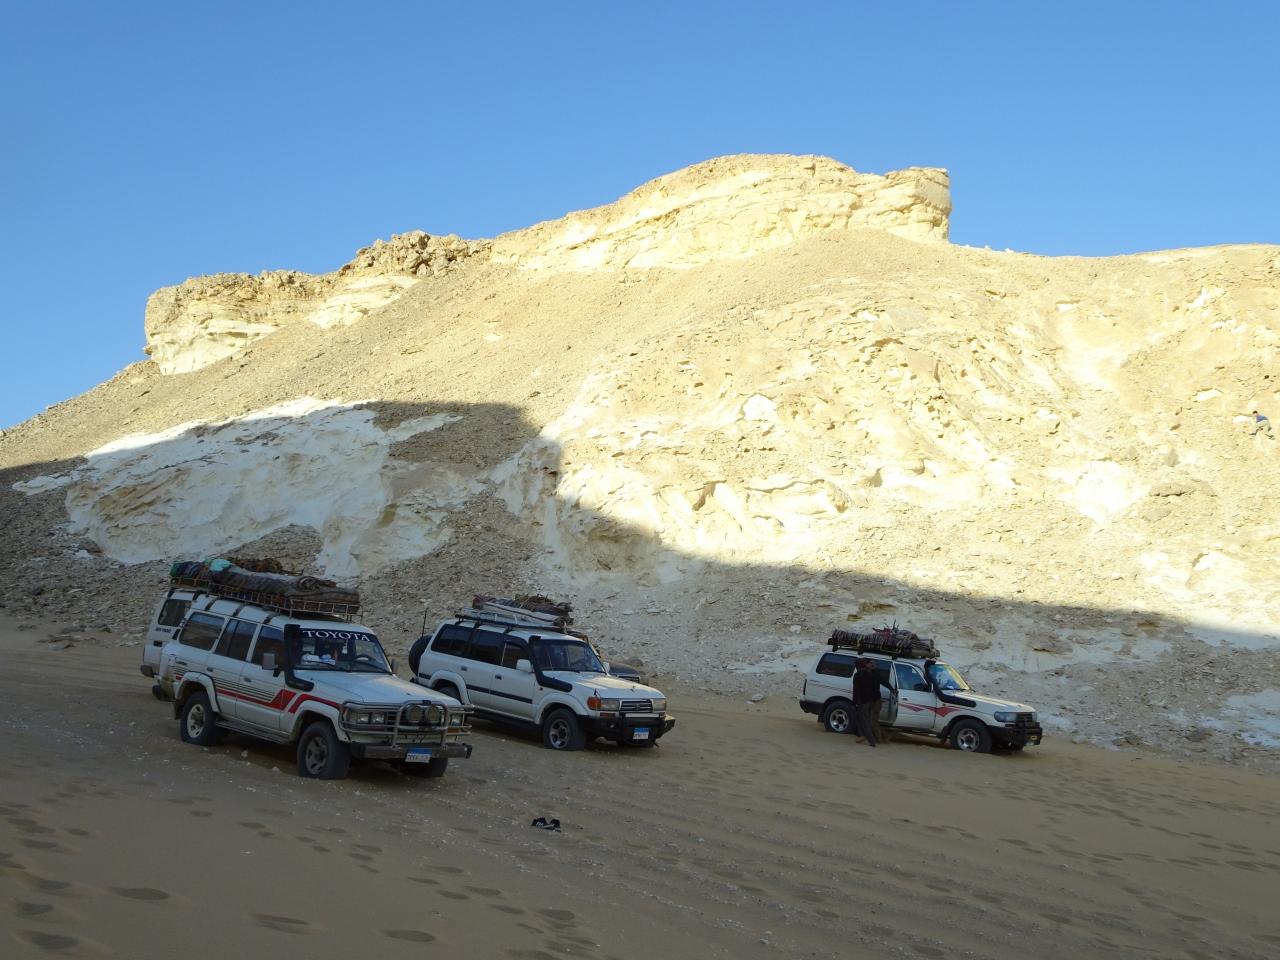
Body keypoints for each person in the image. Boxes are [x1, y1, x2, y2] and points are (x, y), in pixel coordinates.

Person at [851, 659, 883, 747]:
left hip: (863, 702)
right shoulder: (870, 674)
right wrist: (874, 701)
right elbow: (875, 689)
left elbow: (856, 690)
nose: (855, 666)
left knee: (864, 722)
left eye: (856, 665)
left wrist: (855, 702)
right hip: (871, 702)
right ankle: (865, 737)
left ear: (858, 666)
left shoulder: (857, 675)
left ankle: (871, 741)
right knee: (866, 721)